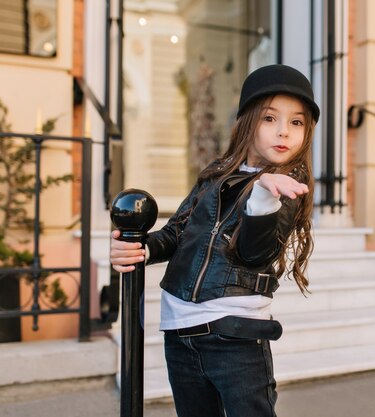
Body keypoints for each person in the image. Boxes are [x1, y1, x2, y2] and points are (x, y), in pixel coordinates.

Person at [110, 64, 320, 417]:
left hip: (234, 338)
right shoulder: (216, 174)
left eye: (296, 122)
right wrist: (140, 249)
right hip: (179, 333)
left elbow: (255, 253)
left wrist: (264, 197)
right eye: (270, 118)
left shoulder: (286, 187)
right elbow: (177, 231)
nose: (284, 131)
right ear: (247, 120)